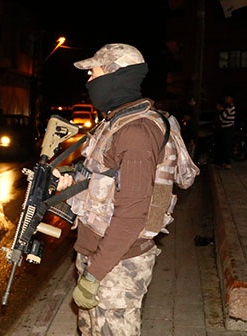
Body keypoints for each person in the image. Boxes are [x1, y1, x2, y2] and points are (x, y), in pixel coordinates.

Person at [54, 43, 198, 335]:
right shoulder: (115, 122)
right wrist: (71, 185)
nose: (89, 81)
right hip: (100, 253)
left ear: (114, 76)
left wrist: (94, 275)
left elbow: (133, 214)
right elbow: (104, 183)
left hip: (118, 265)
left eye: (93, 74)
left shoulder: (136, 133)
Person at [216, 92, 236, 169]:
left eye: (227, 98)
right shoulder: (228, 108)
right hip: (226, 129)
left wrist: (221, 110)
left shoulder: (231, 108)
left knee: (226, 146)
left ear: (231, 99)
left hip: (228, 129)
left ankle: (228, 163)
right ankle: (224, 162)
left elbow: (222, 118)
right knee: (224, 145)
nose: (226, 99)